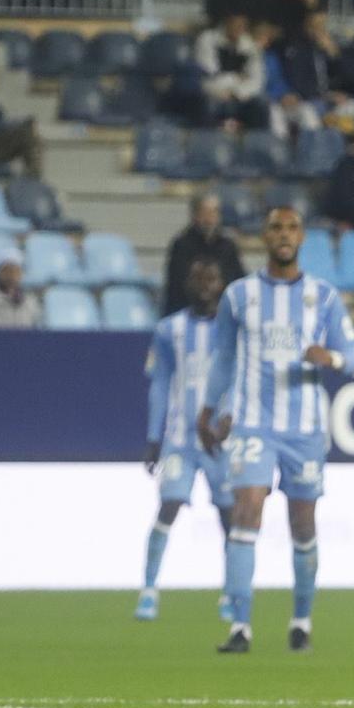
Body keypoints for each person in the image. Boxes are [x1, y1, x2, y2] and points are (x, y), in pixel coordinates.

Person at [198, 206, 354, 654]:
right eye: (275, 226)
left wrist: (330, 358)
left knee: (303, 521)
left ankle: (301, 620)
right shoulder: (239, 296)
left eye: (291, 227)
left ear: (302, 238)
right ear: (264, 234)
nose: (283, 234)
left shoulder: (325, 297)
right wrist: (207, 408)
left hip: (305, 431)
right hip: (254, 422)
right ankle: (240, 628)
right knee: (247, 508)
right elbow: (222, 357)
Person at [135, 258, 233, 624]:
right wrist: (152, 437)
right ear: (189, 284)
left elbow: (240, 380)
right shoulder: (169, 329)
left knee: (229, 515)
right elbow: (159, 384)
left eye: (212, 277)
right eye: (199, 278)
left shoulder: (231, 331)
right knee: (170, 505)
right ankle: (148, 590)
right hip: (180, 439)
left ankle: (230, 593)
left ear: (221, 284)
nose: (205, 284)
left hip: (220, 443)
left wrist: (228, 420)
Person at [162, 193, 246, 313]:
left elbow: (238, 280)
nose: (209, 219)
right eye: (205, 213)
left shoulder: (228, 245)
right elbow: (176, 287)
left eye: (214, 212)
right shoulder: (181, 245)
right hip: (188, 312)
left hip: (223, 312)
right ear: (194, 215)